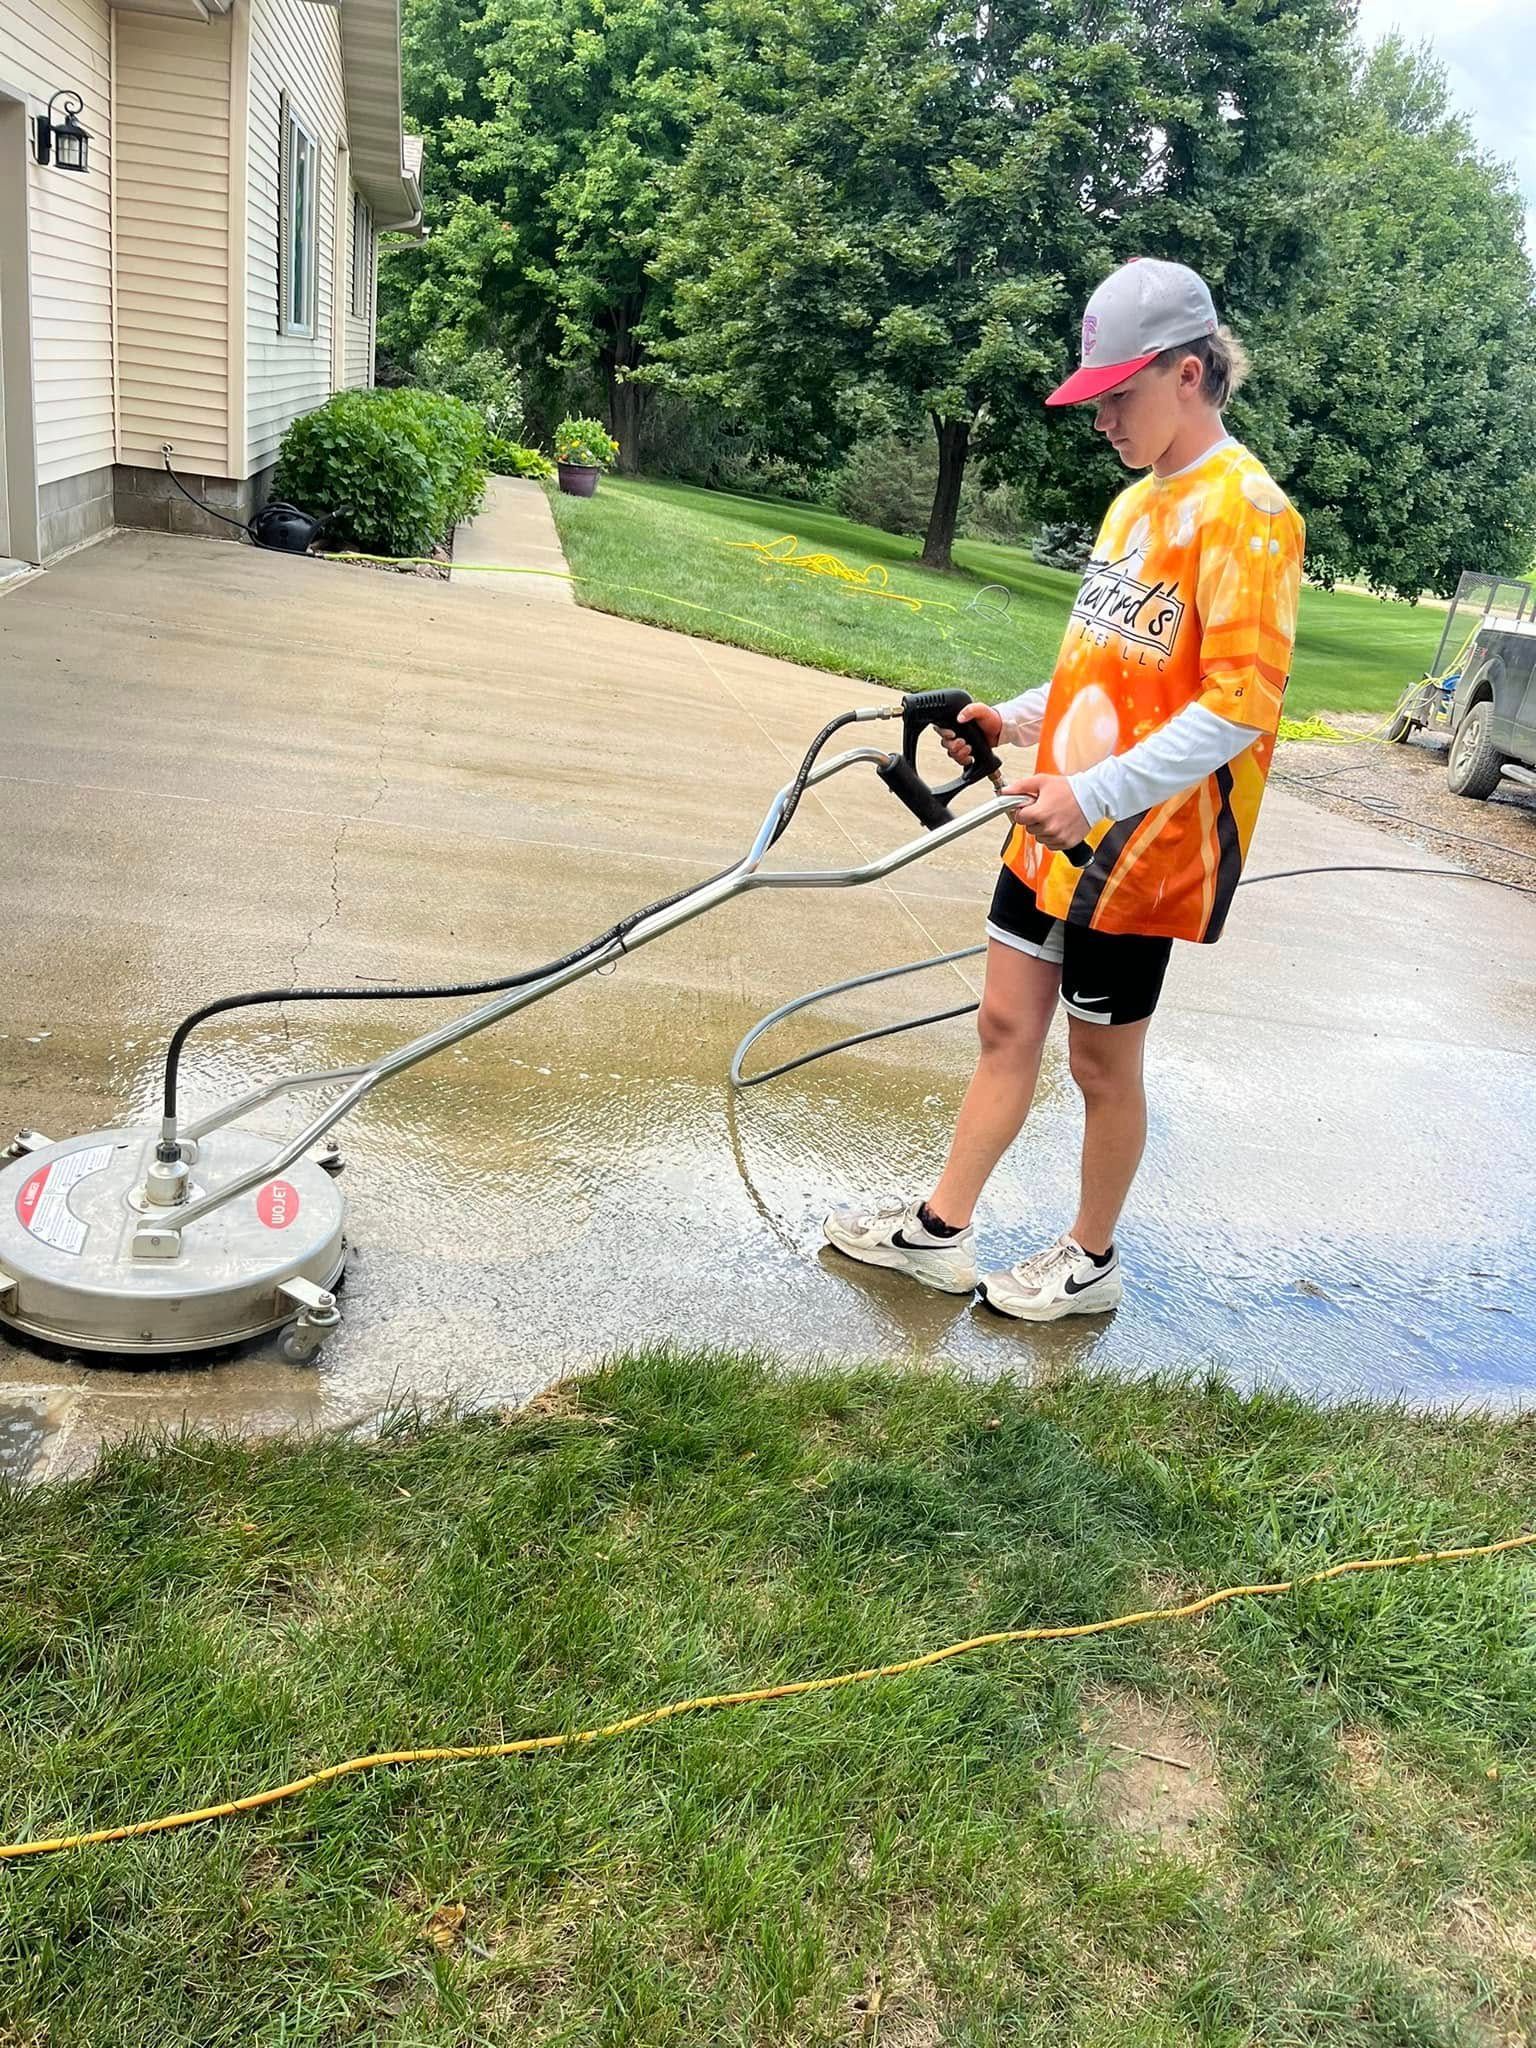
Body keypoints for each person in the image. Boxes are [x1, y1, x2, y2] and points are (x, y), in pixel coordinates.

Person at [824, 257, 1304, 1321]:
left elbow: (1241, 705)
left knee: (1098, 1061)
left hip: (1141, 848)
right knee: (1004, 1024)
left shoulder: (1249, 513)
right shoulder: (1134, 504)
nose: (1104, 424)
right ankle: (938, 1234)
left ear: (1188, 374)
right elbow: (1103, 661)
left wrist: (1095, 795)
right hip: (1052, 818)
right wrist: (1013, 718)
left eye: (1116, 399)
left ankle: (1089, 1260)